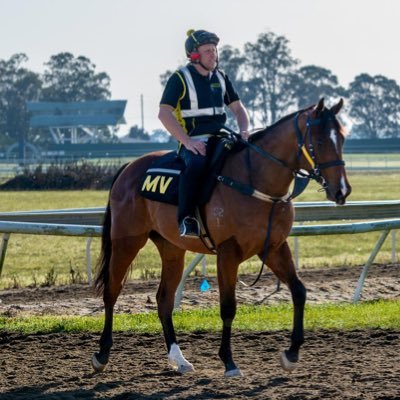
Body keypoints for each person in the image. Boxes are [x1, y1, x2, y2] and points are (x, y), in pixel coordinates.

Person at [158, 29, 250, 238]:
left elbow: (238, 109)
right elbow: (164, 114)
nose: (213, 54)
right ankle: (186, 219)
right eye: (208, 50)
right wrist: (187, 142)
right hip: (193, 142)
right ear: (194, 55)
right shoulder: (179, 78)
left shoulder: (222, 77)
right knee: (197, 165)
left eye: (215, 50)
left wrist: (244, 129)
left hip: (222, 137)